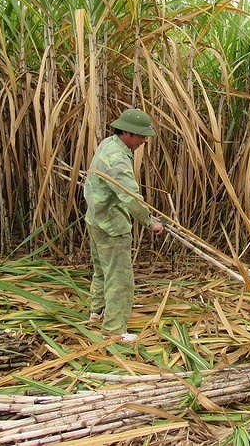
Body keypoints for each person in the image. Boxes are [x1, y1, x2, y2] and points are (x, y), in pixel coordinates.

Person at [84, 108, 164, 343]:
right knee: (119, 277)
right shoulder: (118, 160)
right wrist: (150, 222)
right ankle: (115, 329)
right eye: (141, 136)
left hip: (95, 219)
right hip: (111, 226)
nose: (144, 141)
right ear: (127, 133)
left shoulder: (109, 144)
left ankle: (96, 313)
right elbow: (130, 196)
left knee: (102, 271)